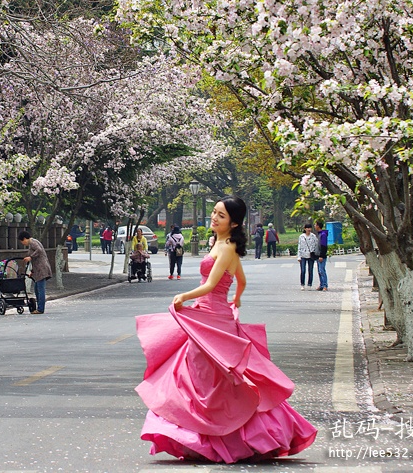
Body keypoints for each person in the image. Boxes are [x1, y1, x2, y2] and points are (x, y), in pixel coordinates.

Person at [135, 197, 317, 462]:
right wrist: (237, 298)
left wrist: (184, 296)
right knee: (201, 375)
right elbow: (240, 279)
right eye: (214, 212)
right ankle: (204, 433)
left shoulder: (228, 246)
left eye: (220, 215)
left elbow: (210, 285)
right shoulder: (219, 243)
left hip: (213, 317)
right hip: (210, 314)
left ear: (233, 222)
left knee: (211, 376)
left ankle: (223, 434)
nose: (214, 217)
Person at [19, 231, 52, 314]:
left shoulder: (32, 242)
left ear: (25, 239)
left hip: (41, 269)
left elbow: (39, 250)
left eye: (22, 241)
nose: (23, 243)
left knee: (40, 289)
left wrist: (30, 257)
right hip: (38, 269)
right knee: (37, 289)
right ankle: (39, 307)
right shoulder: (33, 242)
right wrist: (32, 272)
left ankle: (40, 309)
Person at [297, 223, 320, 290]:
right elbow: (299, 246)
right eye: (307, 228)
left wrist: (316, 253)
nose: (309, 229)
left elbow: (316, 245)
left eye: (310, 228)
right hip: (303, 255)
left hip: (311, 255)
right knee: (303, 270)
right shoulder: (301, 236)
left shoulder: (313, 236)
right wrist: (298, 256)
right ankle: (302, 284)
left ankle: (309, 284)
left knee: (310, 270)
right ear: (305, 229)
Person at [315, 221, 329, 291]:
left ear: (318, 226)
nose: (314, 226)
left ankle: (325, 285)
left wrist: (321, 256)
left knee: (322, 271)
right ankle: (321, 284)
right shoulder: (319, 234)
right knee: (319, 271)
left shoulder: (323, 235)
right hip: (318, 255)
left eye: (315, 225)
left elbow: (324, 246)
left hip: (321, 256)